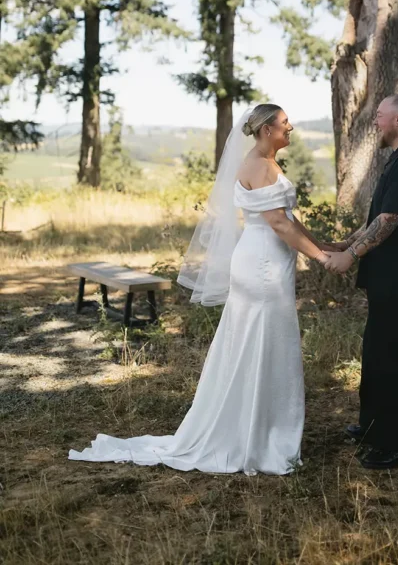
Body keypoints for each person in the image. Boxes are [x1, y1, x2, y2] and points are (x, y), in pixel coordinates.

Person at [69, 103, 332, 476]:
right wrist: (322, 258)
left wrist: (324, 245)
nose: (291, 127)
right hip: (262, 267)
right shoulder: (262, 166)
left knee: (257, 342)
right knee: (261, 342)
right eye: (285, 123)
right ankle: (256, 435)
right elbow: (279, 224)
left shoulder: (266, 165)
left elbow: (289, 219)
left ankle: (259, 425)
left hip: (262, 262)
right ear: (266, 130)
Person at [324, 94, 398, 470]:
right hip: (388, 277)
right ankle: (375, 426)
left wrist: (351, 256)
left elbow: (390, 221)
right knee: (376, 351)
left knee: (395, 358)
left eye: (380, 116)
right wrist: (349, 241)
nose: (375, 122)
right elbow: (378, 215)